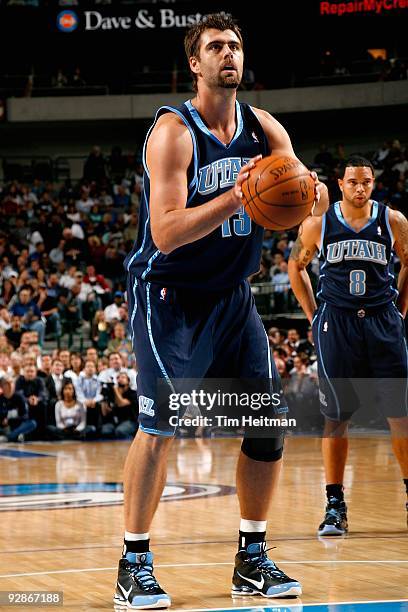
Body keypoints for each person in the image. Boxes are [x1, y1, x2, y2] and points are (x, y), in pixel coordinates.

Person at [114, 13, 329, 609]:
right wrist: (240, 193)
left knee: (266, 427)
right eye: (216, 47)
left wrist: (312, 197)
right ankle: (133, 565)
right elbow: (164, 232)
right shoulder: (173, 132)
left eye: (235, 45)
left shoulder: (265, 129)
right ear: (195, 62)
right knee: (159, 427)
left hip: (233, 297)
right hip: (169, 300)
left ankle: (251, 559)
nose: (229, 54)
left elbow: (310, 197)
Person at [288, 155, 408, 535]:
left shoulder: (393, 221)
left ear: (374, 184)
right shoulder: (318, 224)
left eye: (367, 182)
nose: (360, 188)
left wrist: (400, 309)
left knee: (400, 416)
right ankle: (334, 504)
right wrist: (313, 315)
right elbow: (297, 266)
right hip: (336, 324)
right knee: (336, 417)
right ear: (340, 184)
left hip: (382, 322)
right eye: (354, 181)